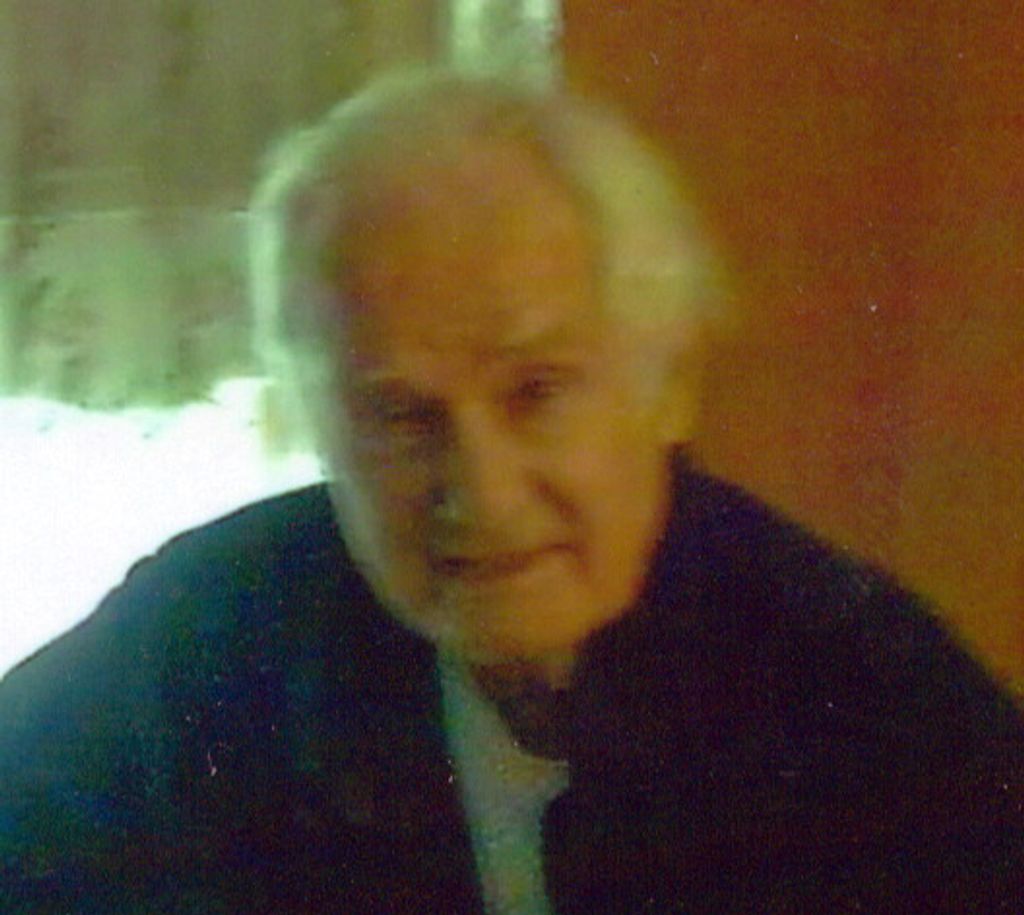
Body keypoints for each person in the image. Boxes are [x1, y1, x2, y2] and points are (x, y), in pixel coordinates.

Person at [2, 68, 1022, 914]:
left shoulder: (869, 705)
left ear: (666, 383)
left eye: (536, 392)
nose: (481, 493)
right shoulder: (204, 641)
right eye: (401, 415)